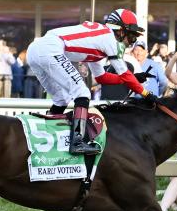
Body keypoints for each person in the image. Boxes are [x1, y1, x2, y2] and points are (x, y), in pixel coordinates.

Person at [27, 9, 157, 155]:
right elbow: (125, 74)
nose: (131, 43)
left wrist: (133, 78)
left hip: (34, 50)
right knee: (82, 92)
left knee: (61, 98)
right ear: (120, 31)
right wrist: (146, 93)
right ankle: (77, 142)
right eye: (131, 37)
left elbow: (102, 77)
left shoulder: (100, 41)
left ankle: (46, 136)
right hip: (50, 48)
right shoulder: (110, 40)